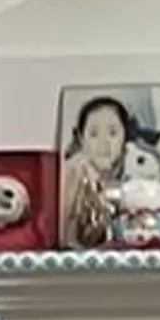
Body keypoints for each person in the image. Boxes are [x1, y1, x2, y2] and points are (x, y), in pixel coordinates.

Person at [59, 94, 137, 245]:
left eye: (113, 133)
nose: (104, 143)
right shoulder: (72, 172)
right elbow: (61, 235)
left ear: (125, 136)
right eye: (94, 134)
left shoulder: (136, 165)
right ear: (82, 139)